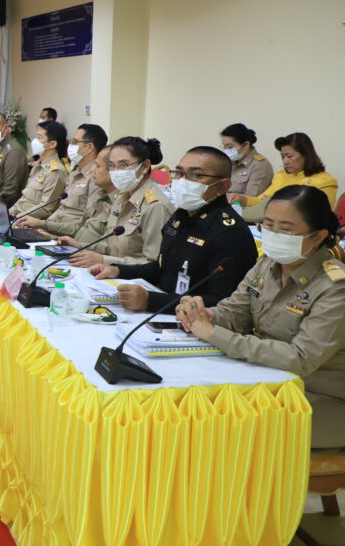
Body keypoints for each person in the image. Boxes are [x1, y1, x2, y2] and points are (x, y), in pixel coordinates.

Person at [177, 185, 345, 448]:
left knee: (221, 427)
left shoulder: (335, 287)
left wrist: (213, 333)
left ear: (318, 236)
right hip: (265, 380)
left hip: (316, 398)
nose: (274, 235)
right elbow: (235, 312)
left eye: (286, 229)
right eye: (268, 225)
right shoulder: (267, 265)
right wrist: (203, 314)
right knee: (188, 404)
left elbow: (300, 359)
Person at [88, 147, 258, 313]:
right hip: (164, 309)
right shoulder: (182, 215)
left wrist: (150, 301)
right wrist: (118, 270)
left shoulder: (230, 234)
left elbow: (223, 301)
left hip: (196, 322)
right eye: (180, 173)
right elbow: (163, 267)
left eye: (196, 175)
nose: (183, 181)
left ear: (222, 186)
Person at [59, 137, 174, 268]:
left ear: (145, 166)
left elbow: (154, 264)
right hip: (111, 273)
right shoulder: (122, 198)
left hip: (133, 278)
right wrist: (79, 246)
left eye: (123, 165)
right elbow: (110, 246)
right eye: (111, 166)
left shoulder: (155, 206)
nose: (116, 171)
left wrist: (103, 260)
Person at [229, 132, 338, 217]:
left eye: (289, 156)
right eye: (282, 156)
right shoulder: (280, 176)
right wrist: (243, 199)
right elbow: (261, 201)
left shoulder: (324, 182)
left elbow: (320, 216)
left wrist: (275, 204)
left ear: (306, 155)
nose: (285, 161)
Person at [20, 123, 107, 229]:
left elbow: (86, 223)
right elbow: (61, 209)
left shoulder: (95, 177)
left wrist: (45, 226)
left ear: (89, 147)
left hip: (71, 234)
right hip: (54, 229)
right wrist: (44, 227)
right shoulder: (74, 172)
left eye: (75, 142)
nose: (70, 146)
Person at [10, 120, 69, 219]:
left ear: (52, 144)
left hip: (30, 222)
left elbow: (46, 208)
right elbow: (24, 199)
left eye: (40, 137)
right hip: (18, 217)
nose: (35, 141)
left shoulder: (55, 171)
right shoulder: (38, 167)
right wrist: (8, 213)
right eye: (36, 136)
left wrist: (17, 218)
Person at [219, 123, 273, 198]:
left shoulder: (260, 165)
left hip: (239, 205)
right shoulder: (229, 162)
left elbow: (251, 199)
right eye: (224, 146)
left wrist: (222, 199)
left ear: (246, 145)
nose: (226, 150)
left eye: (230, 147)